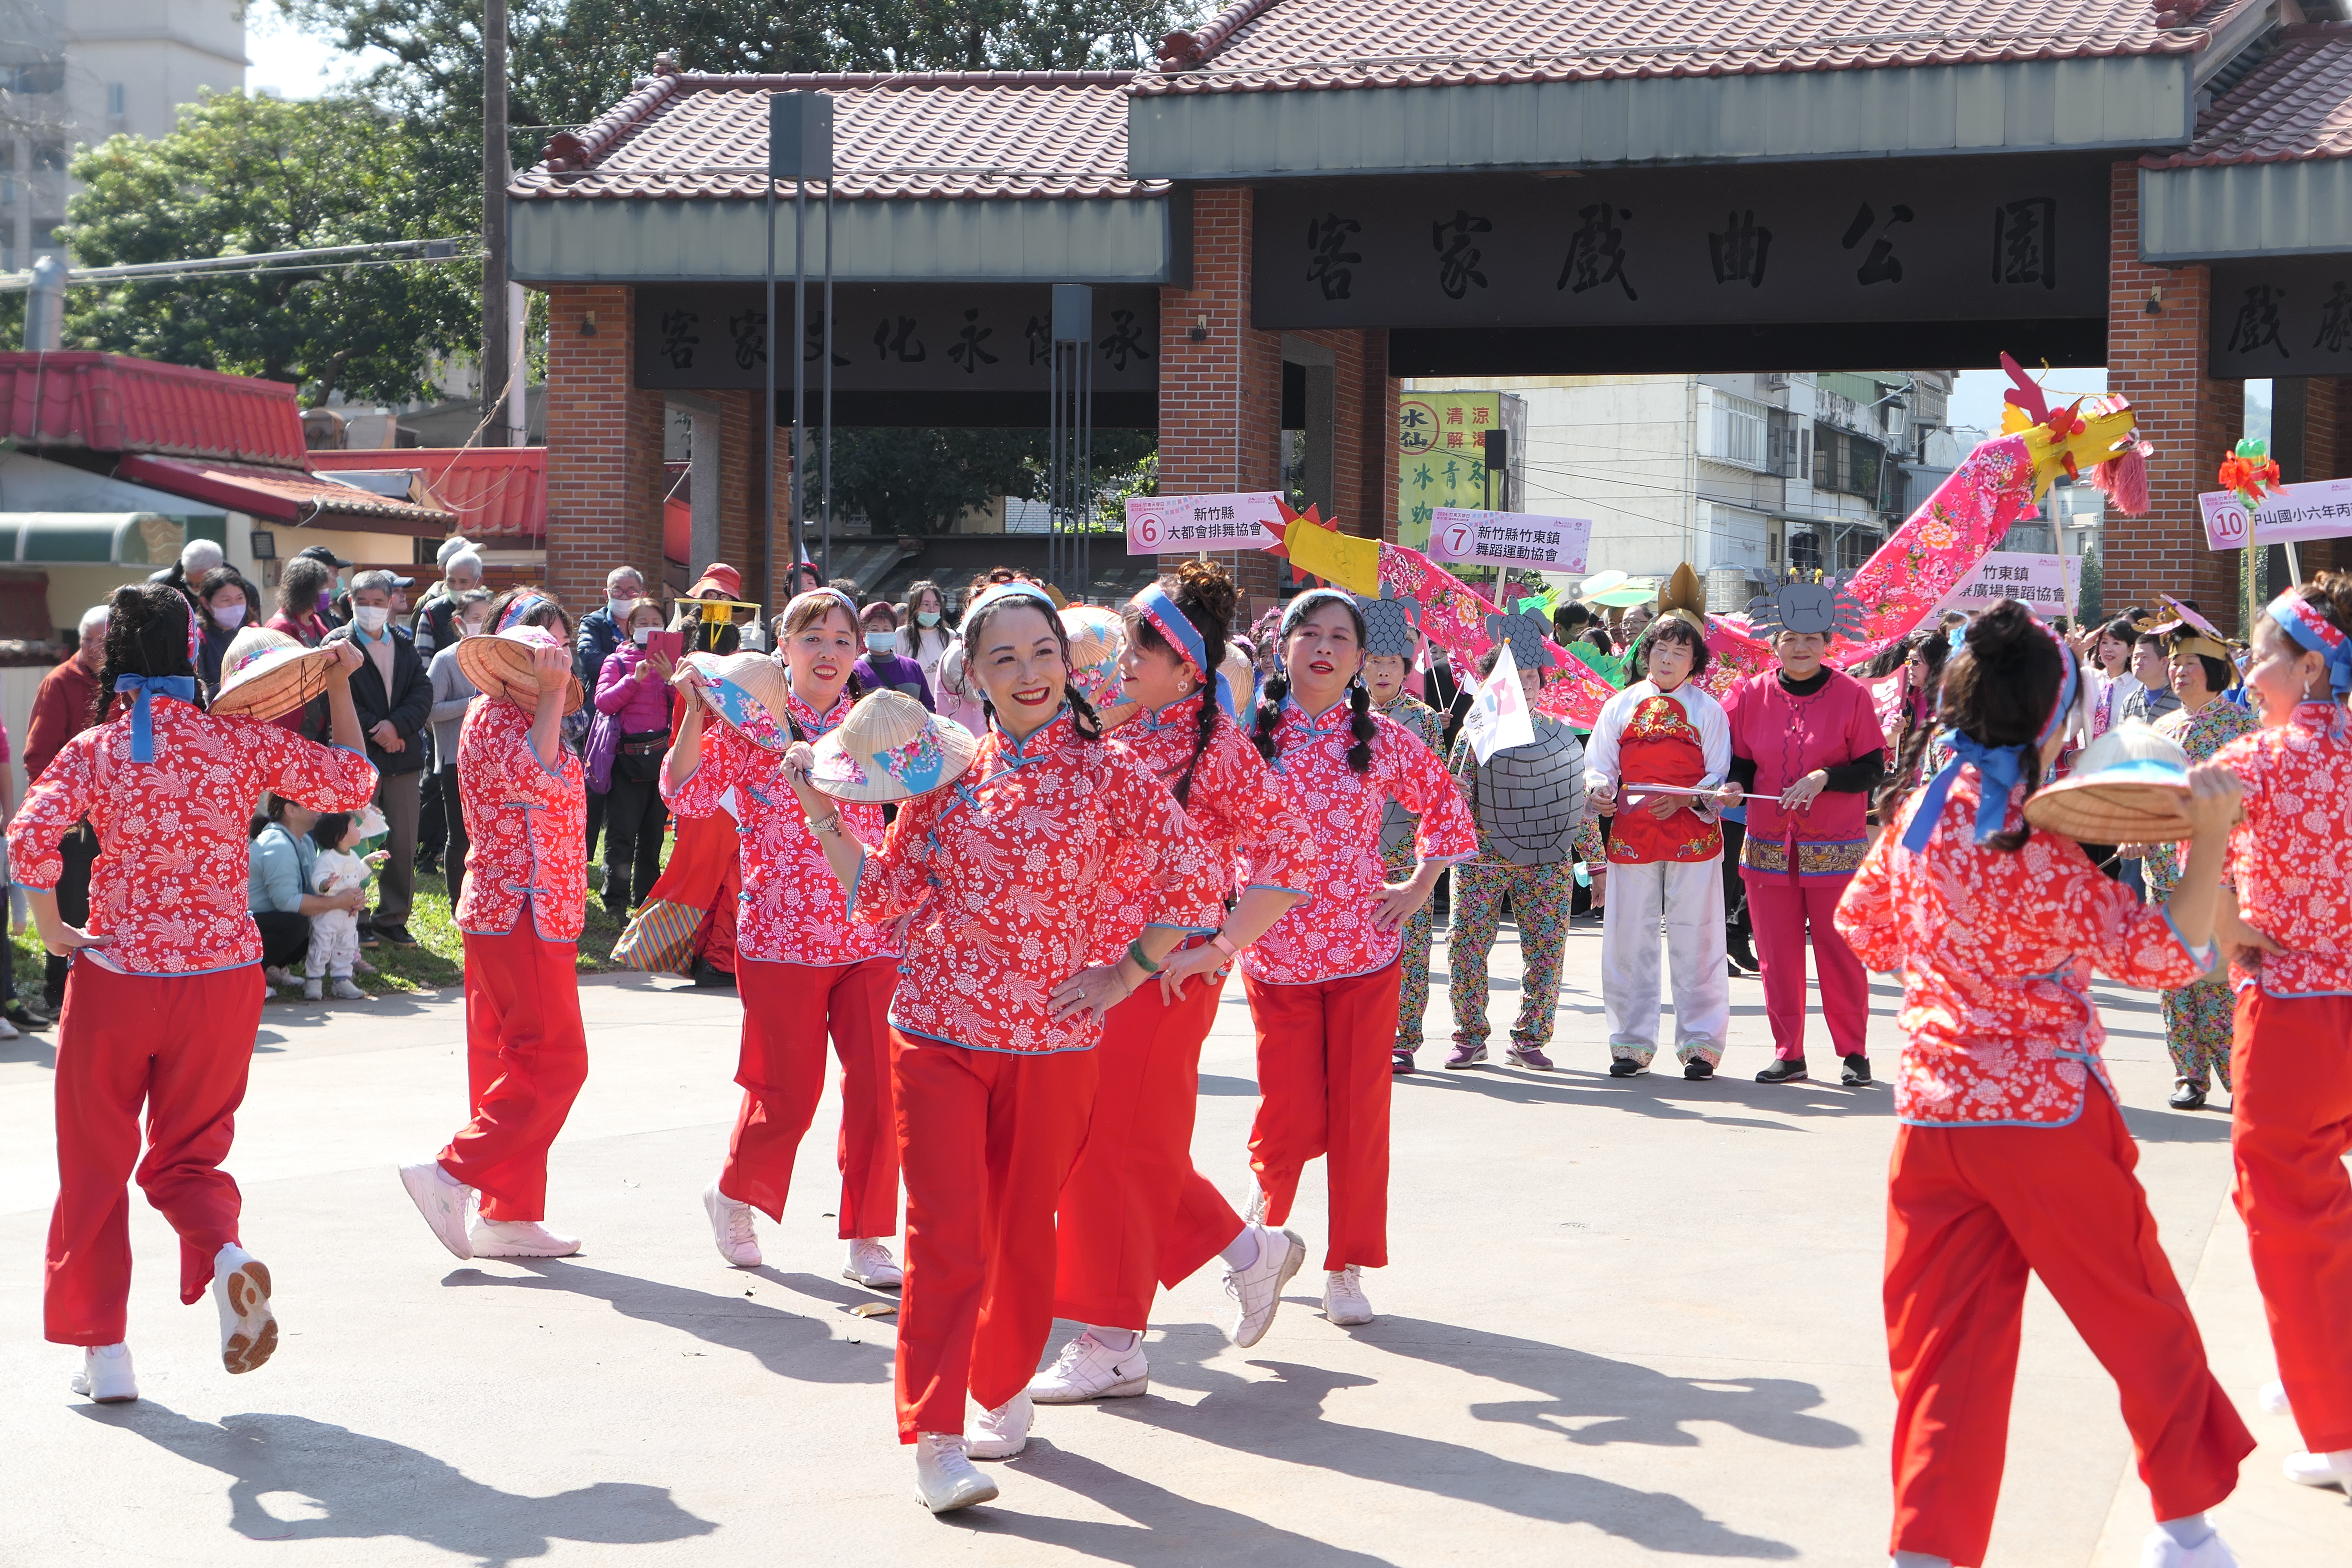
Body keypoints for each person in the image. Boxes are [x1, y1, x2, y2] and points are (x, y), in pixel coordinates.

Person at [779, 580, 1219, 1513]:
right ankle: (936, 1438)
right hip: (935, 1035)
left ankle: (1004, 1384)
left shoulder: (1111, 773)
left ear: (1069, 664)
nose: (1028, 673)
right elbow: (884, 895)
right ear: (971, 674)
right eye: (1004, 658)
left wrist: (1125, 974)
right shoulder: (942, 774)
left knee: (1023, 1238)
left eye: (1043, 653)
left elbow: (1199, 878)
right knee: (944, 1238)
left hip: (1056, 1046)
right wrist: (823, 811)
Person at [1834, 600, 2252, 1568]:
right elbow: (2165, 956)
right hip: (2047, 1119)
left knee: (1946, 1353)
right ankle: (2187, 1530)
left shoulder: (1916, 817)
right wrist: (2214, 833)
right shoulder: (2045, 851)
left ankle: (1926, 1553)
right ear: (2057, 721)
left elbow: (1867, 932)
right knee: (2137, 1314)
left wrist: (1955, 962)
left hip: (1935, 1120)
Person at [10, 582, 377, 1405]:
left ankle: (106, 1354)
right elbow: (353, 781)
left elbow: (28, 834)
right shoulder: (236, 740)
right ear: (190, 652)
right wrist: (342, 681)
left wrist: (50, 924)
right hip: (223, 981)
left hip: (119, 980)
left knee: (96, 1163)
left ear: (116, 656)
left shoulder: (97, 747)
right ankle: (225, 1257)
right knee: (188, 1155)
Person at [1031, 563, 1317, 1407]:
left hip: (1161, 980)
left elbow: (1290, 859)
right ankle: (1251, 1254)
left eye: (1140, 647)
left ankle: (1114, 1341)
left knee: (1113, 1150)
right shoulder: (1120, 727)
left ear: (1189, 666)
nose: (1123, 658)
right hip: (1090, 967)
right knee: (1106, 1141)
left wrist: (1222, 945)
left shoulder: (1221, 751)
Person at [1243, 589, 1478, 1327]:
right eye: (1306, 632)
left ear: (1358, 653)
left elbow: (1446, 805)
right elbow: (1201, 825)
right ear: (1281, 646)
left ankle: (1344, 1267)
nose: (1322, 646)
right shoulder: (1245, 737)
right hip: (1275, 957)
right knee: (1287, 1116)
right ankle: (1263, 1241)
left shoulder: (1384, 737)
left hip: (1363, 954)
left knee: (1357, 1117)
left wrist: (1417, 887)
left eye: (1338, 636)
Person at [669, 587, 906, 1288]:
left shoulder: (873, 724)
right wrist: (694, 714)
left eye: (841, 639)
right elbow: (683, 795)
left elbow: (910, 811)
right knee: (787, 1090)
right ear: (785, 648)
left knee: (878, 1089)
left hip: (869, 930)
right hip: (780, 934)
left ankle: (867, 1237)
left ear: (858, 651)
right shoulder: (752, 723)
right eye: (813, 637)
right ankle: (734, 1196)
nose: (828, 652)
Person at [2210, 573, 2352, 1494]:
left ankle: (2335, 1426)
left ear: (2309, 666)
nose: (2249, 670)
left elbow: (2183, 828)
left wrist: (2227, 922)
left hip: (2296, 1009)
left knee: (2289, 1210)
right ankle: (2318, 1376)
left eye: (2263, 655)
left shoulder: (2263, 759)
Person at [397, 591, 591, 1264]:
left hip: (533, 911)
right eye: (535, 640)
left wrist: (550, 699)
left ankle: (509, 1216)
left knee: (513, 1067)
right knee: (555, 1064)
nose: (549, 653)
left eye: (559, 643)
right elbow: (535, 780)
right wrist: (549, 696)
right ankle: (452, 1173)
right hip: (519, 909)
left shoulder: (531, 715)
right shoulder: (493, 716)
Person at [1721, 584, 1886, 1087]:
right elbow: (1741, 765)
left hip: (1835, 846)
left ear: (1828, 643)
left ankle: (1854, 1053)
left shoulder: (1853, 696)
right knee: (1776, 957)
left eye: (1812, 639)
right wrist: (1732, 787)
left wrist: (1825, 778)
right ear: (1775, 644)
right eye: (1791, 638)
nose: (1801, 648)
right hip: (1769, 846)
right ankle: (1789, 1052)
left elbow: (1873, 769)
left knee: (1839, 952)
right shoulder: (1751, 695)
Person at [1585, 599, 1732, 1080]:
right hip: (1633, 834)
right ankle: (1630, 1042)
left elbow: (1719, 774)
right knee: (1629, 937)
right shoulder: (1618, 706)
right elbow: (1599, 764)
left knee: (1699, 937)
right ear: (1645, 653)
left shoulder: (1709, 710)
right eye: (1660, 649)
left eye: (1680, 652)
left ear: (1696, 663)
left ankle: (1701, 1045)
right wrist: (1599, 791)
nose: (1667, 659)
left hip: (1693, 838)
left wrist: (1689, 799)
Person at [1445, 642, 1600, 1072]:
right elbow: (1452, 796)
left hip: (1547, 859)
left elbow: (1576, 803)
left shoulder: (1557, 734)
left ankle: (1531, 1038)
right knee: (1466, 945)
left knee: (1547, 948)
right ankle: (1469, 1035)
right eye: (1514, 677)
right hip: (1481, 859)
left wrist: (1596, 863)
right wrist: (1454, 798)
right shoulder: (1474, 731)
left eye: (1532, 676)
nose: (1525, 684)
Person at [2118, 625, 2254, 1112]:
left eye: (2189, 664)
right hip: (2163, 873)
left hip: (2219, 873)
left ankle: (2240, 1076)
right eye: (2174, 664)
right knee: (2175, 975)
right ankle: (2188, 1074)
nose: (2178, 671)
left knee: (2219, 976)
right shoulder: (2163, 728)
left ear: (2215, 671)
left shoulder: (2242, 729)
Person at [1359, 620, 1447, 1072]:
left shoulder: (1426, 719)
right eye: (1373, 661)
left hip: (1406, 852)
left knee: (1411, 947)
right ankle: (1361, 1034)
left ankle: (1404, 1037)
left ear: (1406, 667)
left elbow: (1434, 790)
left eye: (1391, 662)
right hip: (1354, 849)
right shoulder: (1342, 712)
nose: (1382, 671)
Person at [338, 570, 430, 947]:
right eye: (364, 602)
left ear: (391, 602)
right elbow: (336, 698)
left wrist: (398, 727)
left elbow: (422, 692)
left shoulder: (405, 644)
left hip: (404, 758)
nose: (372, 609)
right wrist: (379, 730)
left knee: (404, 842)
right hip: (361, 759)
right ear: (350, 602)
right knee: (355, 840)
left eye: (379, 602)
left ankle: (392, 917)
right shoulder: (337, 645)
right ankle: (354, 916)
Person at [25, 605, 107, 1019]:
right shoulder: (59, 682)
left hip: (113, 818)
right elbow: (39, 755)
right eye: (86, 640)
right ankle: (59, 991)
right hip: (74, 819)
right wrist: (64, 813)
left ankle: (104, 983)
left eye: (101, 640)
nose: (92, 648)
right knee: (71, 904)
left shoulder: (124, 684)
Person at [592, 599, 676, 918]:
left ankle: (646, 899)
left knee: (654, 835)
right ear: (631, 627)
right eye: (643, 621)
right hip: (626, 759)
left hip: (660, 759)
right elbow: (604, 703)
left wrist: (671, 678)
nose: (649, 626)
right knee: (622, 834)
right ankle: (615, 900)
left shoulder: (673, 662)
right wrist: (634, 679)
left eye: (656, 621)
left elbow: (684, 704)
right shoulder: (617, 661)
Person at [249, 797, 363, 993]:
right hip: (248, 924)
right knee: (296, 925)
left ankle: (270, 969)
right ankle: (251, 977)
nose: (321, 807)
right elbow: (287, 902)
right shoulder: (278, 845)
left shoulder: (306, 842)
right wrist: (338, 902)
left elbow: (314, 892)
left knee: (319, 921)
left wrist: (349, 900)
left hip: (267, 922)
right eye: (312, 802)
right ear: (291, 810)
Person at [576, 566, 648, 866]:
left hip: (638, 729)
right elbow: (590, 660)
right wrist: (630, 663)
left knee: (624, 802)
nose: (624, 596)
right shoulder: (592, 623)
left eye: (631, 591)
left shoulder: (650, 625)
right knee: (592, 791)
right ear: (606, 593)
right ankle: (581, 860)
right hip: (601, 722)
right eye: (618, 590)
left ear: (642, 595)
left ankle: (617, 865)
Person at [424, 590, 491, 907]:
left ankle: (484, 897)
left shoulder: (499, 657)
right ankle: (456, 903)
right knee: (460, 835)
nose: (483, 625)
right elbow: (429, 711)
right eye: (477, 619)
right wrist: (472, 704)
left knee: (488, 836)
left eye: (488, 619)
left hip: (492, 760)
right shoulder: (446, 659)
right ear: (459, 622)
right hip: (454, 758)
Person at [303, 810, 377, 1002]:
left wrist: (368, 862)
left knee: (346, 945)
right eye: (354, 825)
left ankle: (342, 979)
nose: (358, 828)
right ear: (340, 836)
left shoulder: (351, 855)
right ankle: (314, 979)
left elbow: (356, 874)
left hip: (348, 917)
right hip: (328, 916)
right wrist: (325, 884)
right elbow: (317, 879)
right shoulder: (327, 858)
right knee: (322, 945)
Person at [854, 599, 934, 708]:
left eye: (886, 630)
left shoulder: (912, 667)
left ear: (894, 632)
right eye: (874, 630)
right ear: (864, 635)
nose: (881, 634)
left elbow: (928, 704)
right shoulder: (856, 670)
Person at [193, 568, 259, 693]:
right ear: (206, 603)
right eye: (226, 600)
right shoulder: (199, 640)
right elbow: (199, 690)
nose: (234, 606)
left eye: (240, 599)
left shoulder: (254, 632)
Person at [412, 546, 483, 658]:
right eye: (451, 581)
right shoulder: (432, 611)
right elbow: (423, 660)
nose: (457, 587)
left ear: (479, 582)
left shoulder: (490, 611)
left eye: (463, 582)